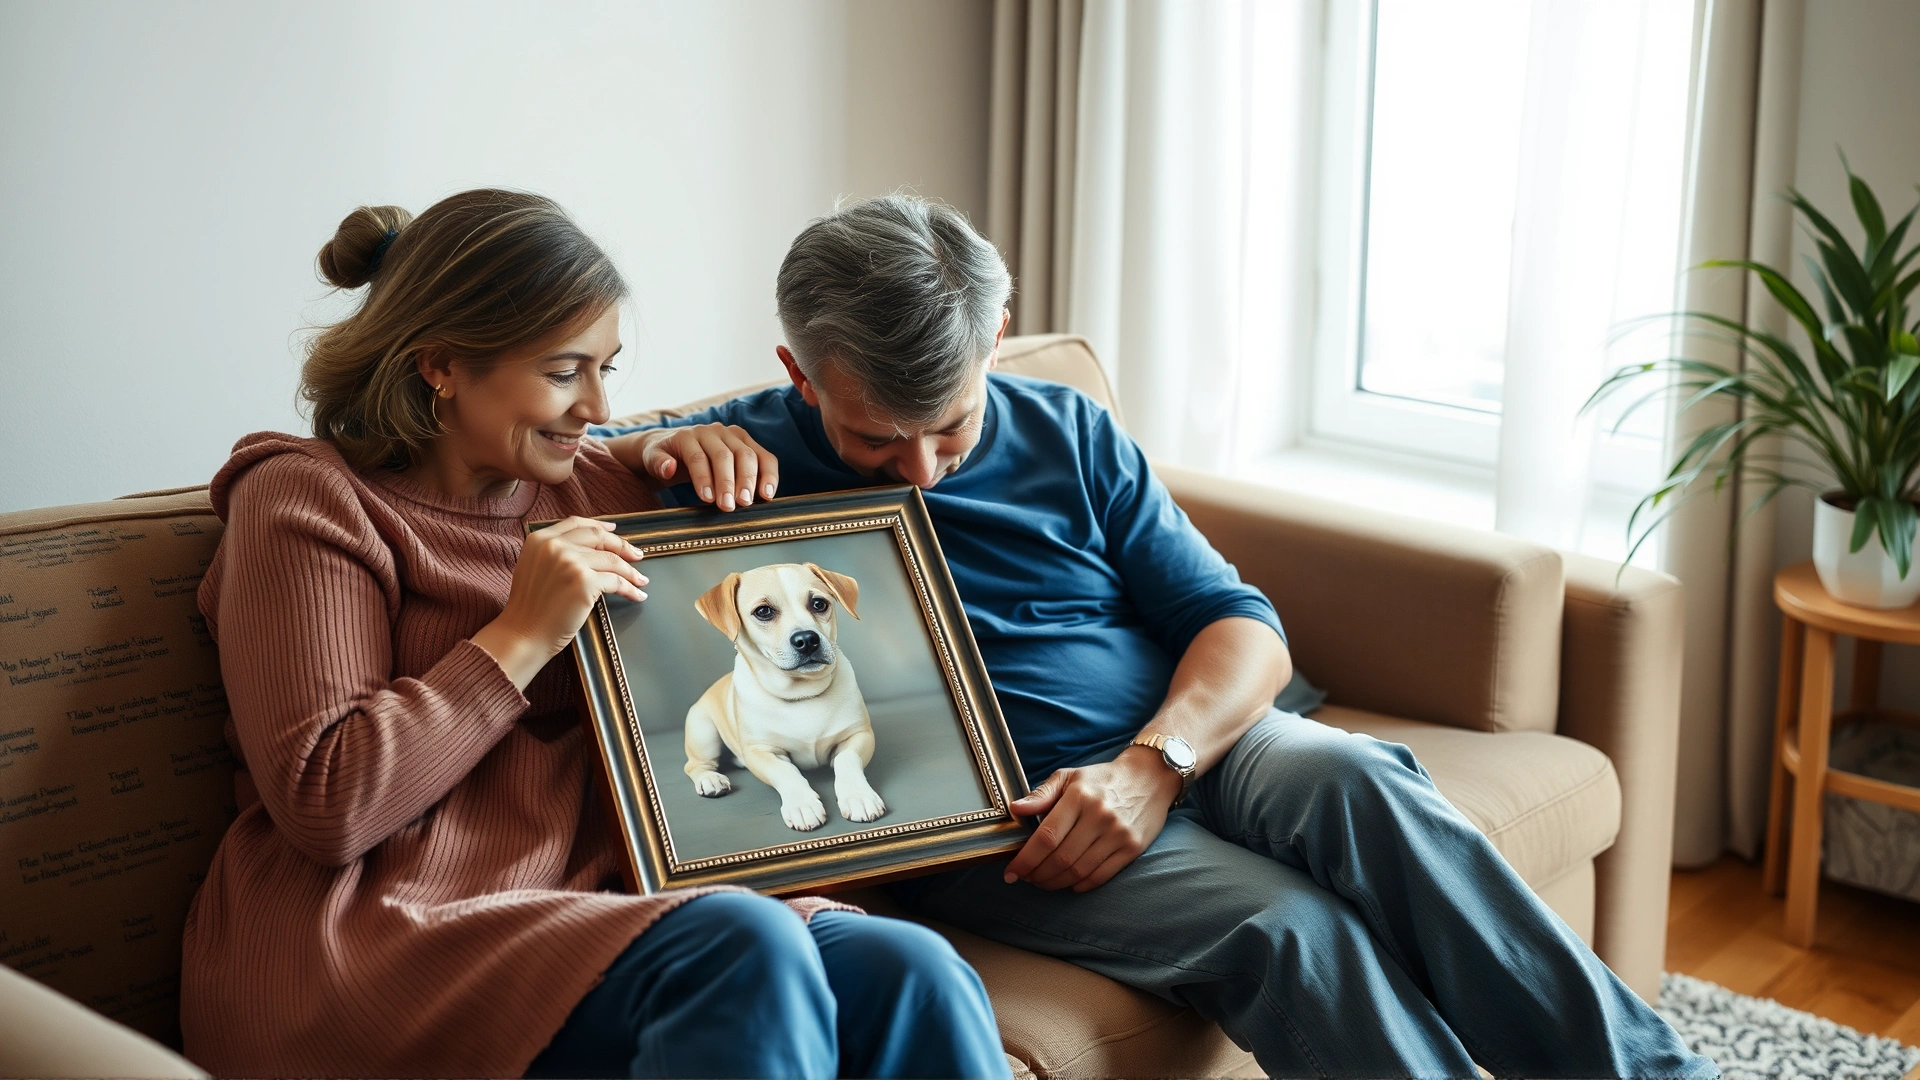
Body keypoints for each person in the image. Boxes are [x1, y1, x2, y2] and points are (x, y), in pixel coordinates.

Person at [600, 194, 1718, 1079]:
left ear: (996, 336)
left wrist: (1153, 765)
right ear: (799, 373)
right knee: (1289, 928)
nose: (924, 471)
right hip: (1006, 818)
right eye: (875, 441)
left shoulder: (1070, 430)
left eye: (952, 425)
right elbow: (556, 459)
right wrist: (647, 459)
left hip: (1186, 741)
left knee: (1359, 780)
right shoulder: (730, 467)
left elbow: (1241, 626)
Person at [181, 189, 1009, 1080]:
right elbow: (327, 803)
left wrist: (689, 455)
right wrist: (521, 636)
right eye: (565, 370)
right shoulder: (307, 501)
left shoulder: (599, 493)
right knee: (741, 944)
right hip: (374, 935)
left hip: (591, 911)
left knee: (910, 968)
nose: (597, 407)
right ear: (441, 366)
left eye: (607, 368)